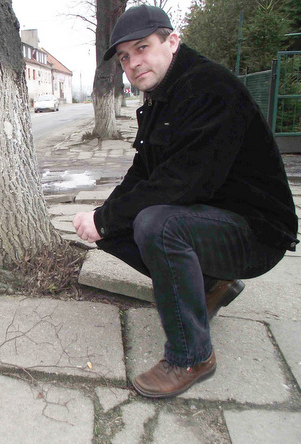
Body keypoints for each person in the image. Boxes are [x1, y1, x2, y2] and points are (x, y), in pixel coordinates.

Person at [73, 5, 299, 398]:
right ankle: (213, 284)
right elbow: (143, 173)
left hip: (258, 232)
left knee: (155, 225)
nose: (133, 63)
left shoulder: (209, 87)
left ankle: (191, 356)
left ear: (172, 41)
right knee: (111, 226)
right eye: (125, 57)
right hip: (214, 218)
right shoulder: (161, 96)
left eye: (142, 48)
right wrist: (102, 218)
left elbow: (182, 182)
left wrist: (109, 218)